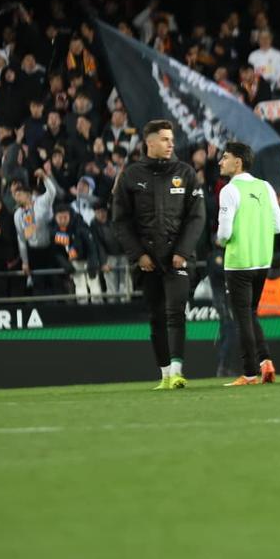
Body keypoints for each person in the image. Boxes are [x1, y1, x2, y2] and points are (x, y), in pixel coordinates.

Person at [111, 120, 206, 390]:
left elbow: (197, 217)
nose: (170, 144)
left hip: (178, 259)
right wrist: (138, 255)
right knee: (156, 317)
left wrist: (182, 252)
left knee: (175, 311)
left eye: (171, 139)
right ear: (149, 142)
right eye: (164, 139)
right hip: (147, 261)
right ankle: (164, 375)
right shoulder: (130, 176)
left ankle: (177, 370)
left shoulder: (186, 173)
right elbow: (120, 222)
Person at [215, 141, 280, 386]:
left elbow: (224, 232)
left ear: (238, 162)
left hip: (239, 263)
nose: (221, 162)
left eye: (225, 157)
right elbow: (278, 226)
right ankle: (266, 362)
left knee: (241, 317)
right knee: (250, 314)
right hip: (262, 261)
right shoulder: (266, 186)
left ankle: (250, 373)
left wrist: (220, 240)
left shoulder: (229, 190)